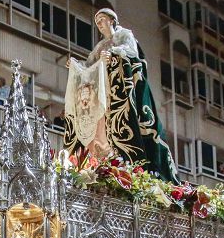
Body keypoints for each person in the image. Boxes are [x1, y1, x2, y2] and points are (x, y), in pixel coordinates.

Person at [65, 9, 177, 181]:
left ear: (112, 20)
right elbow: (89, 66)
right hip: (104, 95)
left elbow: (132, 52)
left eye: (102, 19)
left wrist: (114, 54)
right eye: (97, 22)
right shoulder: (99, 46)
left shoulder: (124, 35)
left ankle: (126, 164)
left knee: (121, 128)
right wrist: (75, 64)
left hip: (119, 91)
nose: (99, 24)